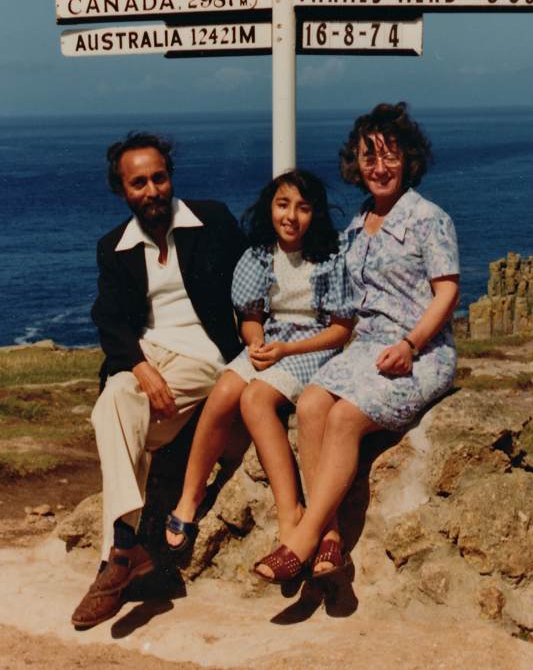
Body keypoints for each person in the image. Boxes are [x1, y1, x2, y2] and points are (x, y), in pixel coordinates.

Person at [254, 103, 460, 583]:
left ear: (408, 160)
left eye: (390, 155)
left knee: (345, 417)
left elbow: (447, 293)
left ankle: (301, 541)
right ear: (357, 163)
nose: (380, 167)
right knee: (310, 405)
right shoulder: (355, 226)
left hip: (420, 352)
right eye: (370, 157)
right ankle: (329, 537)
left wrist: (410, 344)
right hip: (365, 349)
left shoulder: (429, 219)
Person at [71, 132, 246, 629]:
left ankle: (116, 557)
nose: (152, 190)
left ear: (170, 177)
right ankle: (128, 549)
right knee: (115, 400)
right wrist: (140, 367)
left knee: (118, 418)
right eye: (139, 183)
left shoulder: (212, 221)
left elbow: (256, 276)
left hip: (204, 356)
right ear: (122, 190)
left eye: (159, 178)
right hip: (149, 358)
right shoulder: (114, 247)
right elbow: (108, 318)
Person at [165, 169, 355, 553]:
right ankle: (190, 494)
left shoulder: (331, 257)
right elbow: (250, 317)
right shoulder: (259, 256)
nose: (291, 216)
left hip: (313, 346)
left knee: (255, 399)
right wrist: (256, 343)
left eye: (303, 208)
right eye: (283, 205)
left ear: (316, 213)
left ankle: (290, 509)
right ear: (270, 207)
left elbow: (341, 330)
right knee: (223, 392)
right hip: (272, 340)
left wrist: (286, 351)